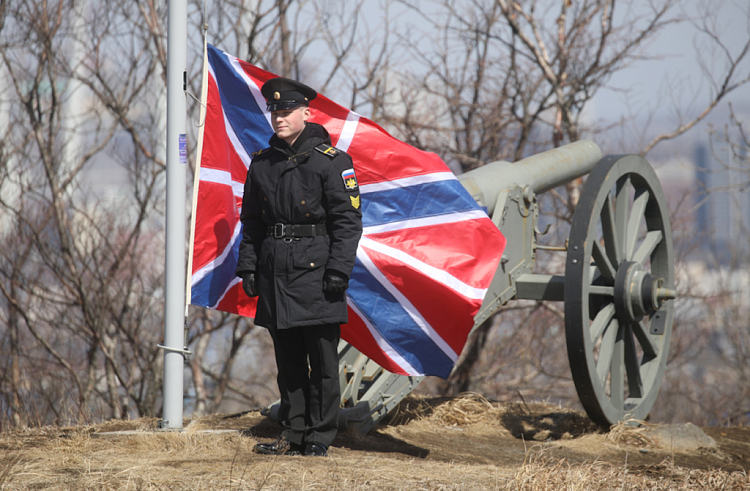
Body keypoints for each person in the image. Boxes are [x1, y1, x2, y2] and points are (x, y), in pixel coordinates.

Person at [236, 77, 363, 457]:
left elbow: (348, 222)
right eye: (274, 111)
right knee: (289, 363)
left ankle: (320, 437)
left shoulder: (332, 162)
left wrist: (338, 271)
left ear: (307, 114)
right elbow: (253, 224)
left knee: (323, 363)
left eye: (287, 111)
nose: (279, 117)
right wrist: (249, 268)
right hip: (275, 271)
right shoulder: (262, 164)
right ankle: (293, 434)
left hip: (318, 272)